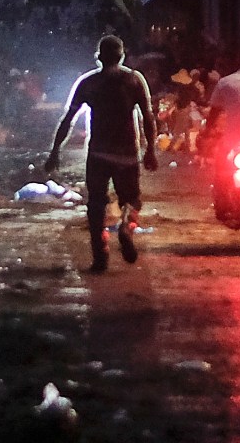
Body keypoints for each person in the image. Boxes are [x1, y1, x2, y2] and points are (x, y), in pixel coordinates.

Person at [48, 34, 158, 273]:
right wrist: (151, 150)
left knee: (96, 203)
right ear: (122, 56)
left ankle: (100, 254)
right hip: (127, 153)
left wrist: (55, 150)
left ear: (99, 57)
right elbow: (148, 117)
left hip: (98, 153)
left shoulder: (88, 83)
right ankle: (127, 227)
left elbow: (68, 119)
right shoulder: (134, 80)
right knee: (131, 199)